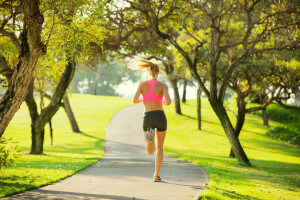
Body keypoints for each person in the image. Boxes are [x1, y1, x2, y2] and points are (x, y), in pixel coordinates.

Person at [130, 57, 171, 182]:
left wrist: (144, 99)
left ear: (148, 72)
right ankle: (156, 175)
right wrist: (163, 101)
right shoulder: (163, 86)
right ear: (158, 72)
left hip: (148, 116)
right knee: (160, 148)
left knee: (150, 150)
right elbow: (168, 102)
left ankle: (149, 139)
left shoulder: (142, 85)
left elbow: (135, 100)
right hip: (160, 116)